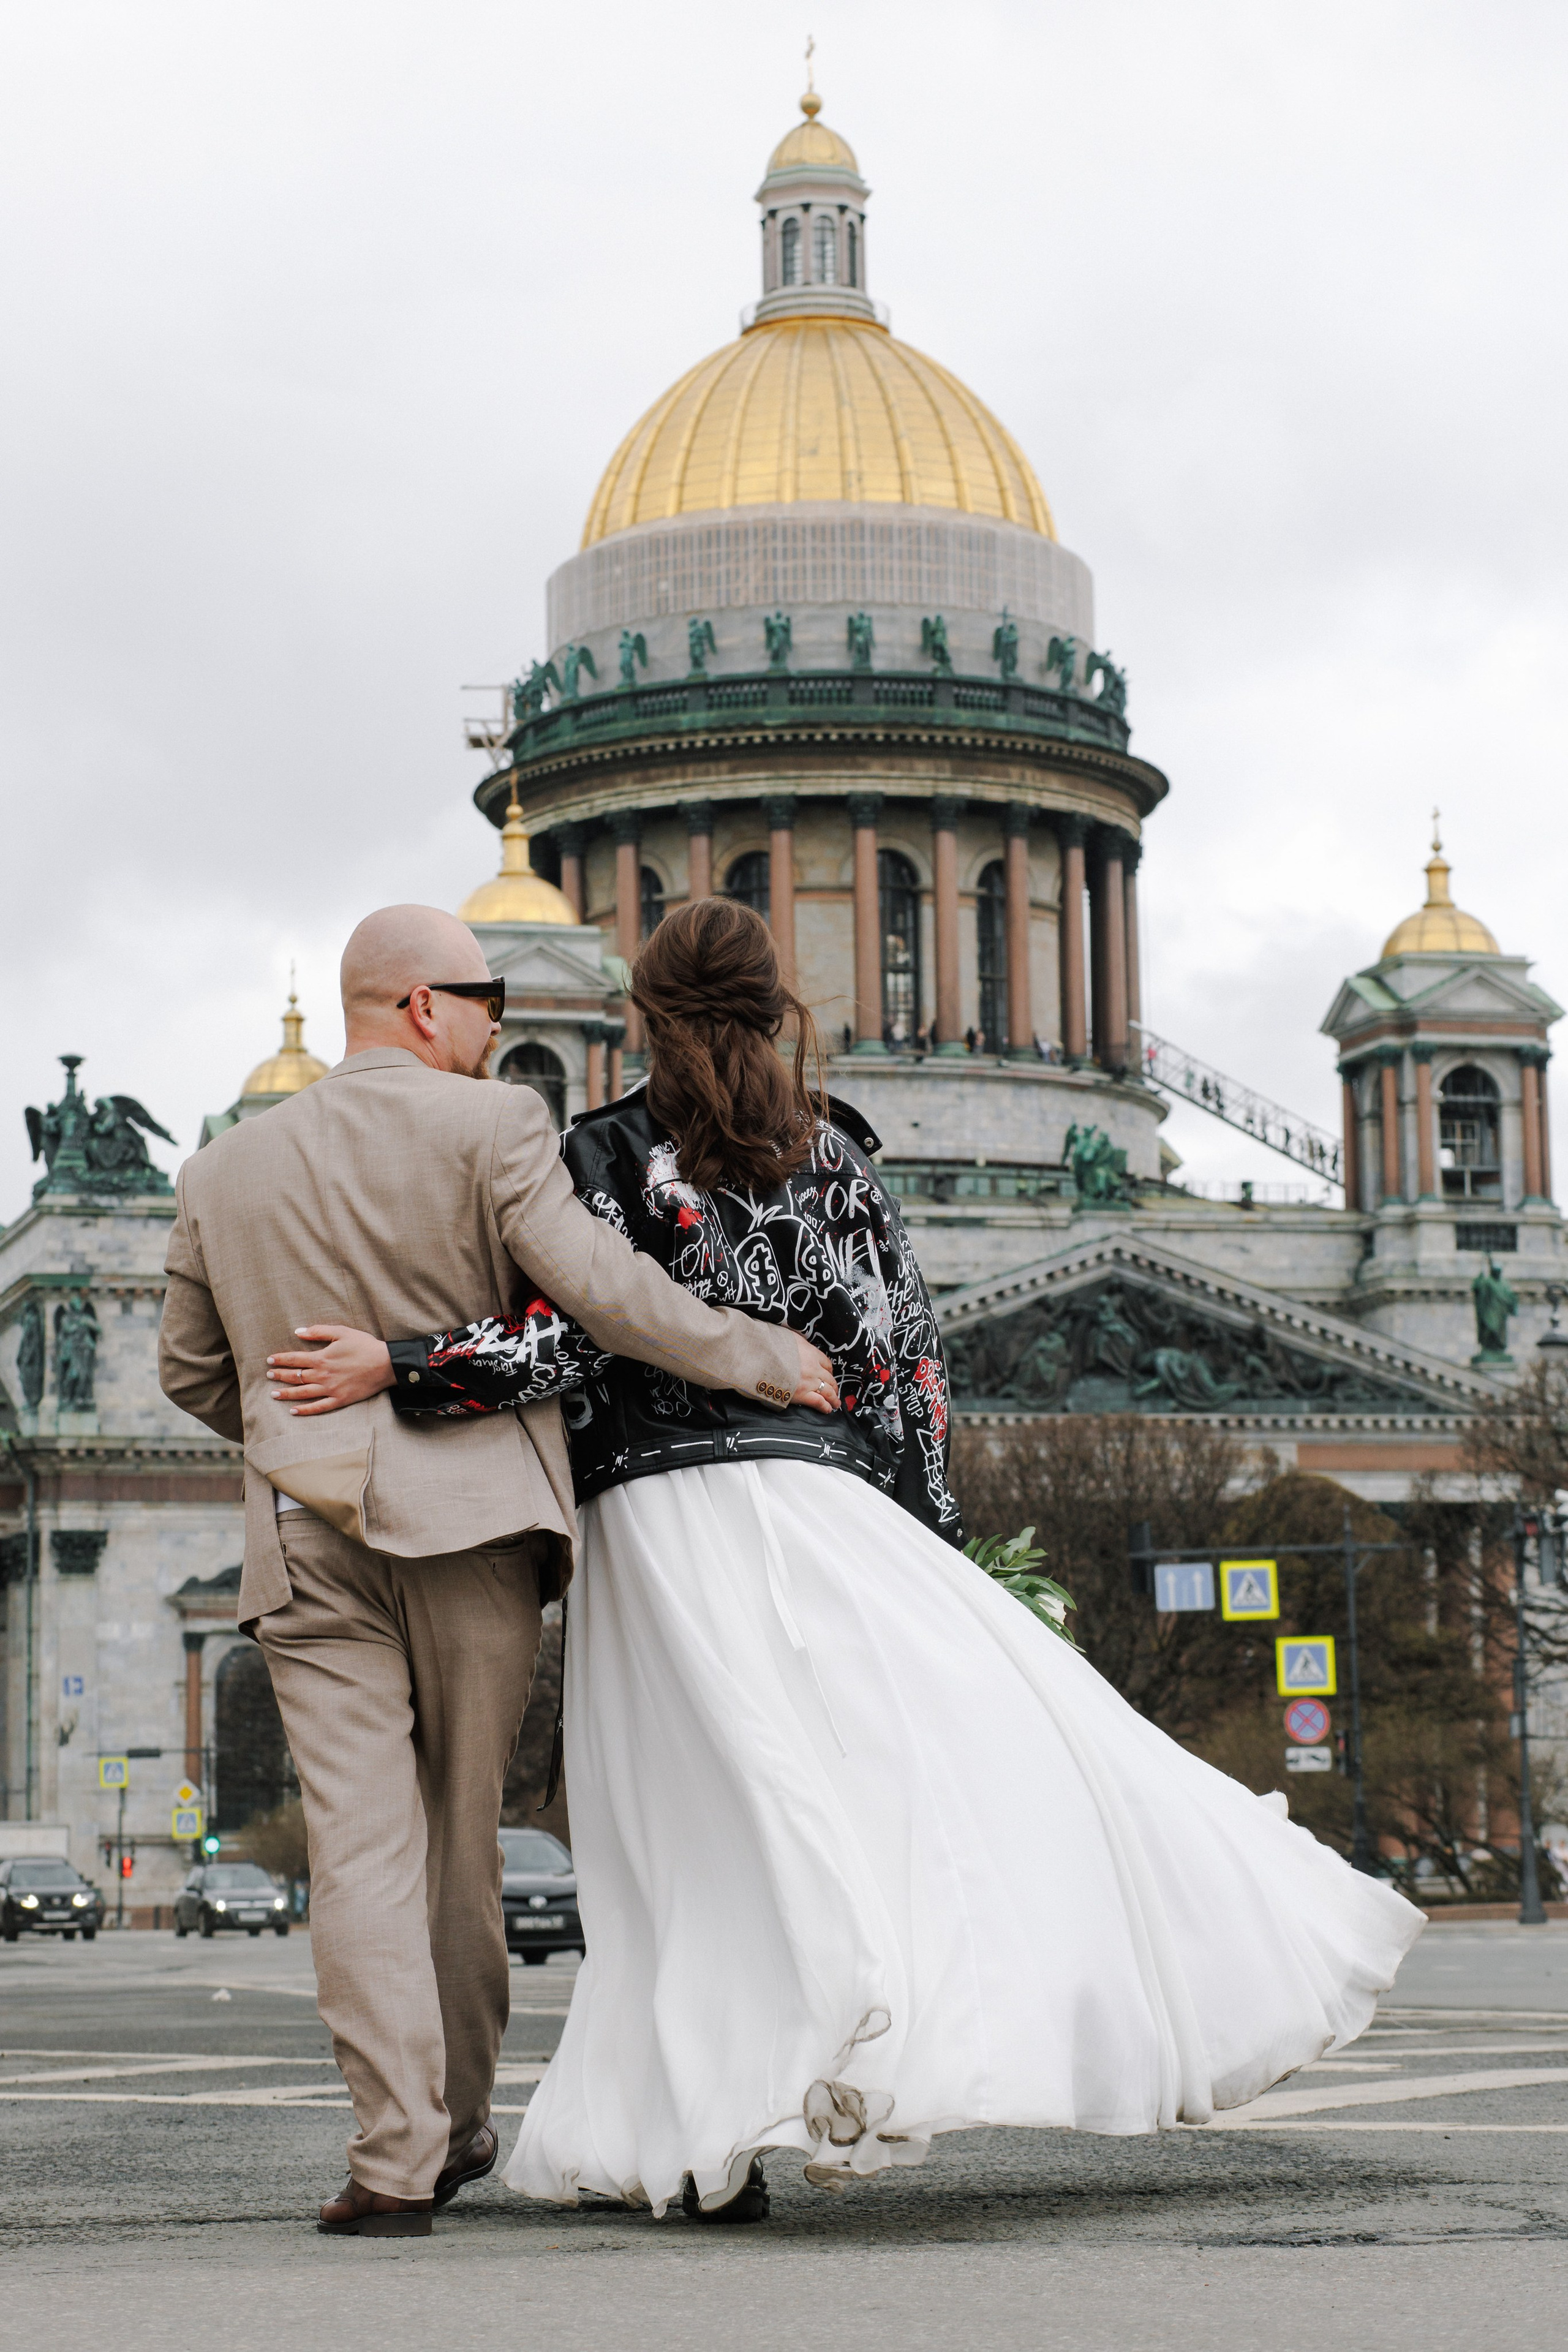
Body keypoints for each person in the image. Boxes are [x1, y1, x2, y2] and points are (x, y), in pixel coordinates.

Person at [274, 899, 1424, 2226]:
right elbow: (907, 1369)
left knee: (685, 1844)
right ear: (778, 1008)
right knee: (863, 1801)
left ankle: (701, 2140)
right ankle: (793, 2081)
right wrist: (929, 1553)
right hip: (823, 1509)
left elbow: (575, 1339)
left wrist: (404, 1367)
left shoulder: (602, 1154)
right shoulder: (834, 1158)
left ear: (634, 1015)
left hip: (661, 1529)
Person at [157, 903, 839, 2239]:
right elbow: (607, 1295)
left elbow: (188, 1369)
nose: (498, 1033)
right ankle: (464, 2116)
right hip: (467, 1528)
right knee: (462, 1843)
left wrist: (298, 1426)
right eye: (486, 1004)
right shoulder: (493, 1131)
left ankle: (398, 2155)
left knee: (359, 1852)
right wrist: (762, 1356)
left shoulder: (224, 1171)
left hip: (305, 1533)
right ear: (422, 1006)